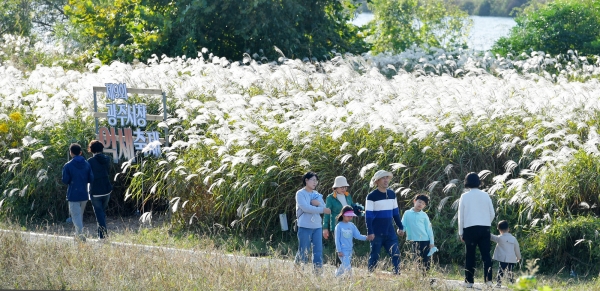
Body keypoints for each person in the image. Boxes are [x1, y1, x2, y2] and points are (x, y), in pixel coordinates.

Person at [458, 172, 495, 288]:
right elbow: (492, 213)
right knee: (486, 255)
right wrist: (486, 222)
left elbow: (461, 216)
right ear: (479, 182)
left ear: (466, 182)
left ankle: (469, 282)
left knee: (470, 255)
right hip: (484, 228)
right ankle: (488, 281)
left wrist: (461, 232)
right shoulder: (485, 195)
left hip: (469, 229)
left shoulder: (464, 196)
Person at [365, 170, 404, 274]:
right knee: (374, 256)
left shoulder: (392, 194)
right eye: (383, 178)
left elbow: (395, 213)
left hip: (390, 231)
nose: (386, 180)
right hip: (376, 232)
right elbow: (368, 216)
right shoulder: (371, 196)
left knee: (396, 254)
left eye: (387, 177)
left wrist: (400, 227)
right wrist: (370, 231)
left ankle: (397, 274)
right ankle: (370, 276)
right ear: (377, 181)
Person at [294, 171, 331, 273]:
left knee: (318, 251)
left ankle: (318, 273)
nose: (315, 183)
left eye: (316, 181)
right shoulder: (300, 193)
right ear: (306, 180)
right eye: (313, 180)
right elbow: (306, 208)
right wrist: (321, 209)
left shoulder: (317, 194)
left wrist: (318, 203)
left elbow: (326, 208)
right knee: (303, 250)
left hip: (317, 226)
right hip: (304, 226)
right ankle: (299, 271)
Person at [62, 143, 94, 241]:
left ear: (71, 153)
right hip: (84, 194)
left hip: (73, 194)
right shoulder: (87, 164)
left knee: (76, 217)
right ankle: (78, 235)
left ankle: (80, 237)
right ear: (80, 152)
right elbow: (91, 179)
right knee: (79, 216)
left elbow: (65, 180)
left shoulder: (68, 165)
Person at [323, 176, 353, 266]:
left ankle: (346, 266)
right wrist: (325, 228)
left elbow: (351, 208)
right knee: (340, 247)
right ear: (335, 188)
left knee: (348, 246)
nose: (344, 189)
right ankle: (338, 267)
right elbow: (327, 213)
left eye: (345, 187)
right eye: (341, 187)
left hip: (348, 225)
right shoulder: (330, 198)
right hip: (337, 225)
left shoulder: (348, 196)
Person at [402, 193, 435, 272]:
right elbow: (403, 224)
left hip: (425, 240)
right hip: (414, 240)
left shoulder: (424, 215)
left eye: (423, 204)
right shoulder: (407, 213)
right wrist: (401, 231)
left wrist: (432, 242)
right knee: (416, 259)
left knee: (425, 259)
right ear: (414, 201)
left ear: (424, 206)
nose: (421, 204)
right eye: (419, 202)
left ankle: (425, 276)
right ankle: (417, 276)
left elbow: (429, 229)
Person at [87, 140, 113, 240]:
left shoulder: (90, 161)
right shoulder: (107, 159)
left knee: (99, 214)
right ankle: (101, 234)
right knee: (102, 213)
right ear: (102, 148)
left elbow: (88, 176)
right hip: (107, 190)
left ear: (91, 149)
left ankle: (103, 237)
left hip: (96, 191)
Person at [334, 205, 368, 277]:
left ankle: (336, 277)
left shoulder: (352, 225)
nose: (350, 217)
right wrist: (339, 250)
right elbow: (337, 239)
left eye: (351, 216)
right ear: (343, 215)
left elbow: (357, 235)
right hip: (342, 251)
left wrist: (366, 237)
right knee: (348, 268)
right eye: (348, 216)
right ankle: (351, 280)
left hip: (350, 250)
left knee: (343, 267)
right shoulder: (339, 226)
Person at [490, 220, 521, 288]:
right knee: (510, 271)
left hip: (503, 259)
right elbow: (517, 248)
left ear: (499, 230)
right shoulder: (513, 239)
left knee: (501, 270)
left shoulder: (499, 238)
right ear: (508, 229)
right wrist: (518, 257)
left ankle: (498, 283)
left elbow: (492, 237)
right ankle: (511, 283)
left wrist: (486, 232)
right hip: (511, 258)